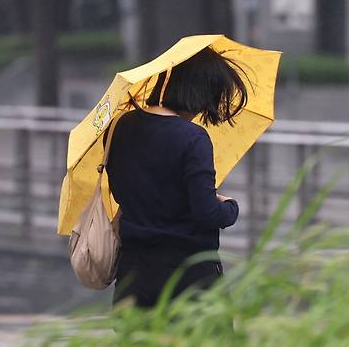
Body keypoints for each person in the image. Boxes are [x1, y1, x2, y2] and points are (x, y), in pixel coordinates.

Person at [106, 47, 247, 308]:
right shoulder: (193, 138)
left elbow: (126, 191)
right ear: (202, 92)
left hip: (133, 278)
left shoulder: (121, 127)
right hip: (187, 280)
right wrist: (229, 206)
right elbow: (207, 213)